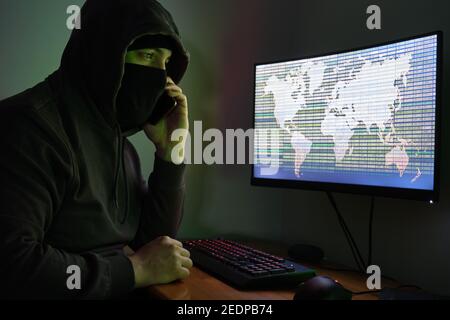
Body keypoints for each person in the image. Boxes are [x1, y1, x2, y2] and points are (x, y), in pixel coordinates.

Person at [0, 0, 192, 299]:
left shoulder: (120, 143)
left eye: (166, 63)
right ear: (104, 57)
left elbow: (153, 245)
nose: (160, 78)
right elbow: (14, 265)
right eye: (147, 55)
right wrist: (134, 270)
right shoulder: (28, 128)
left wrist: (171, 152)